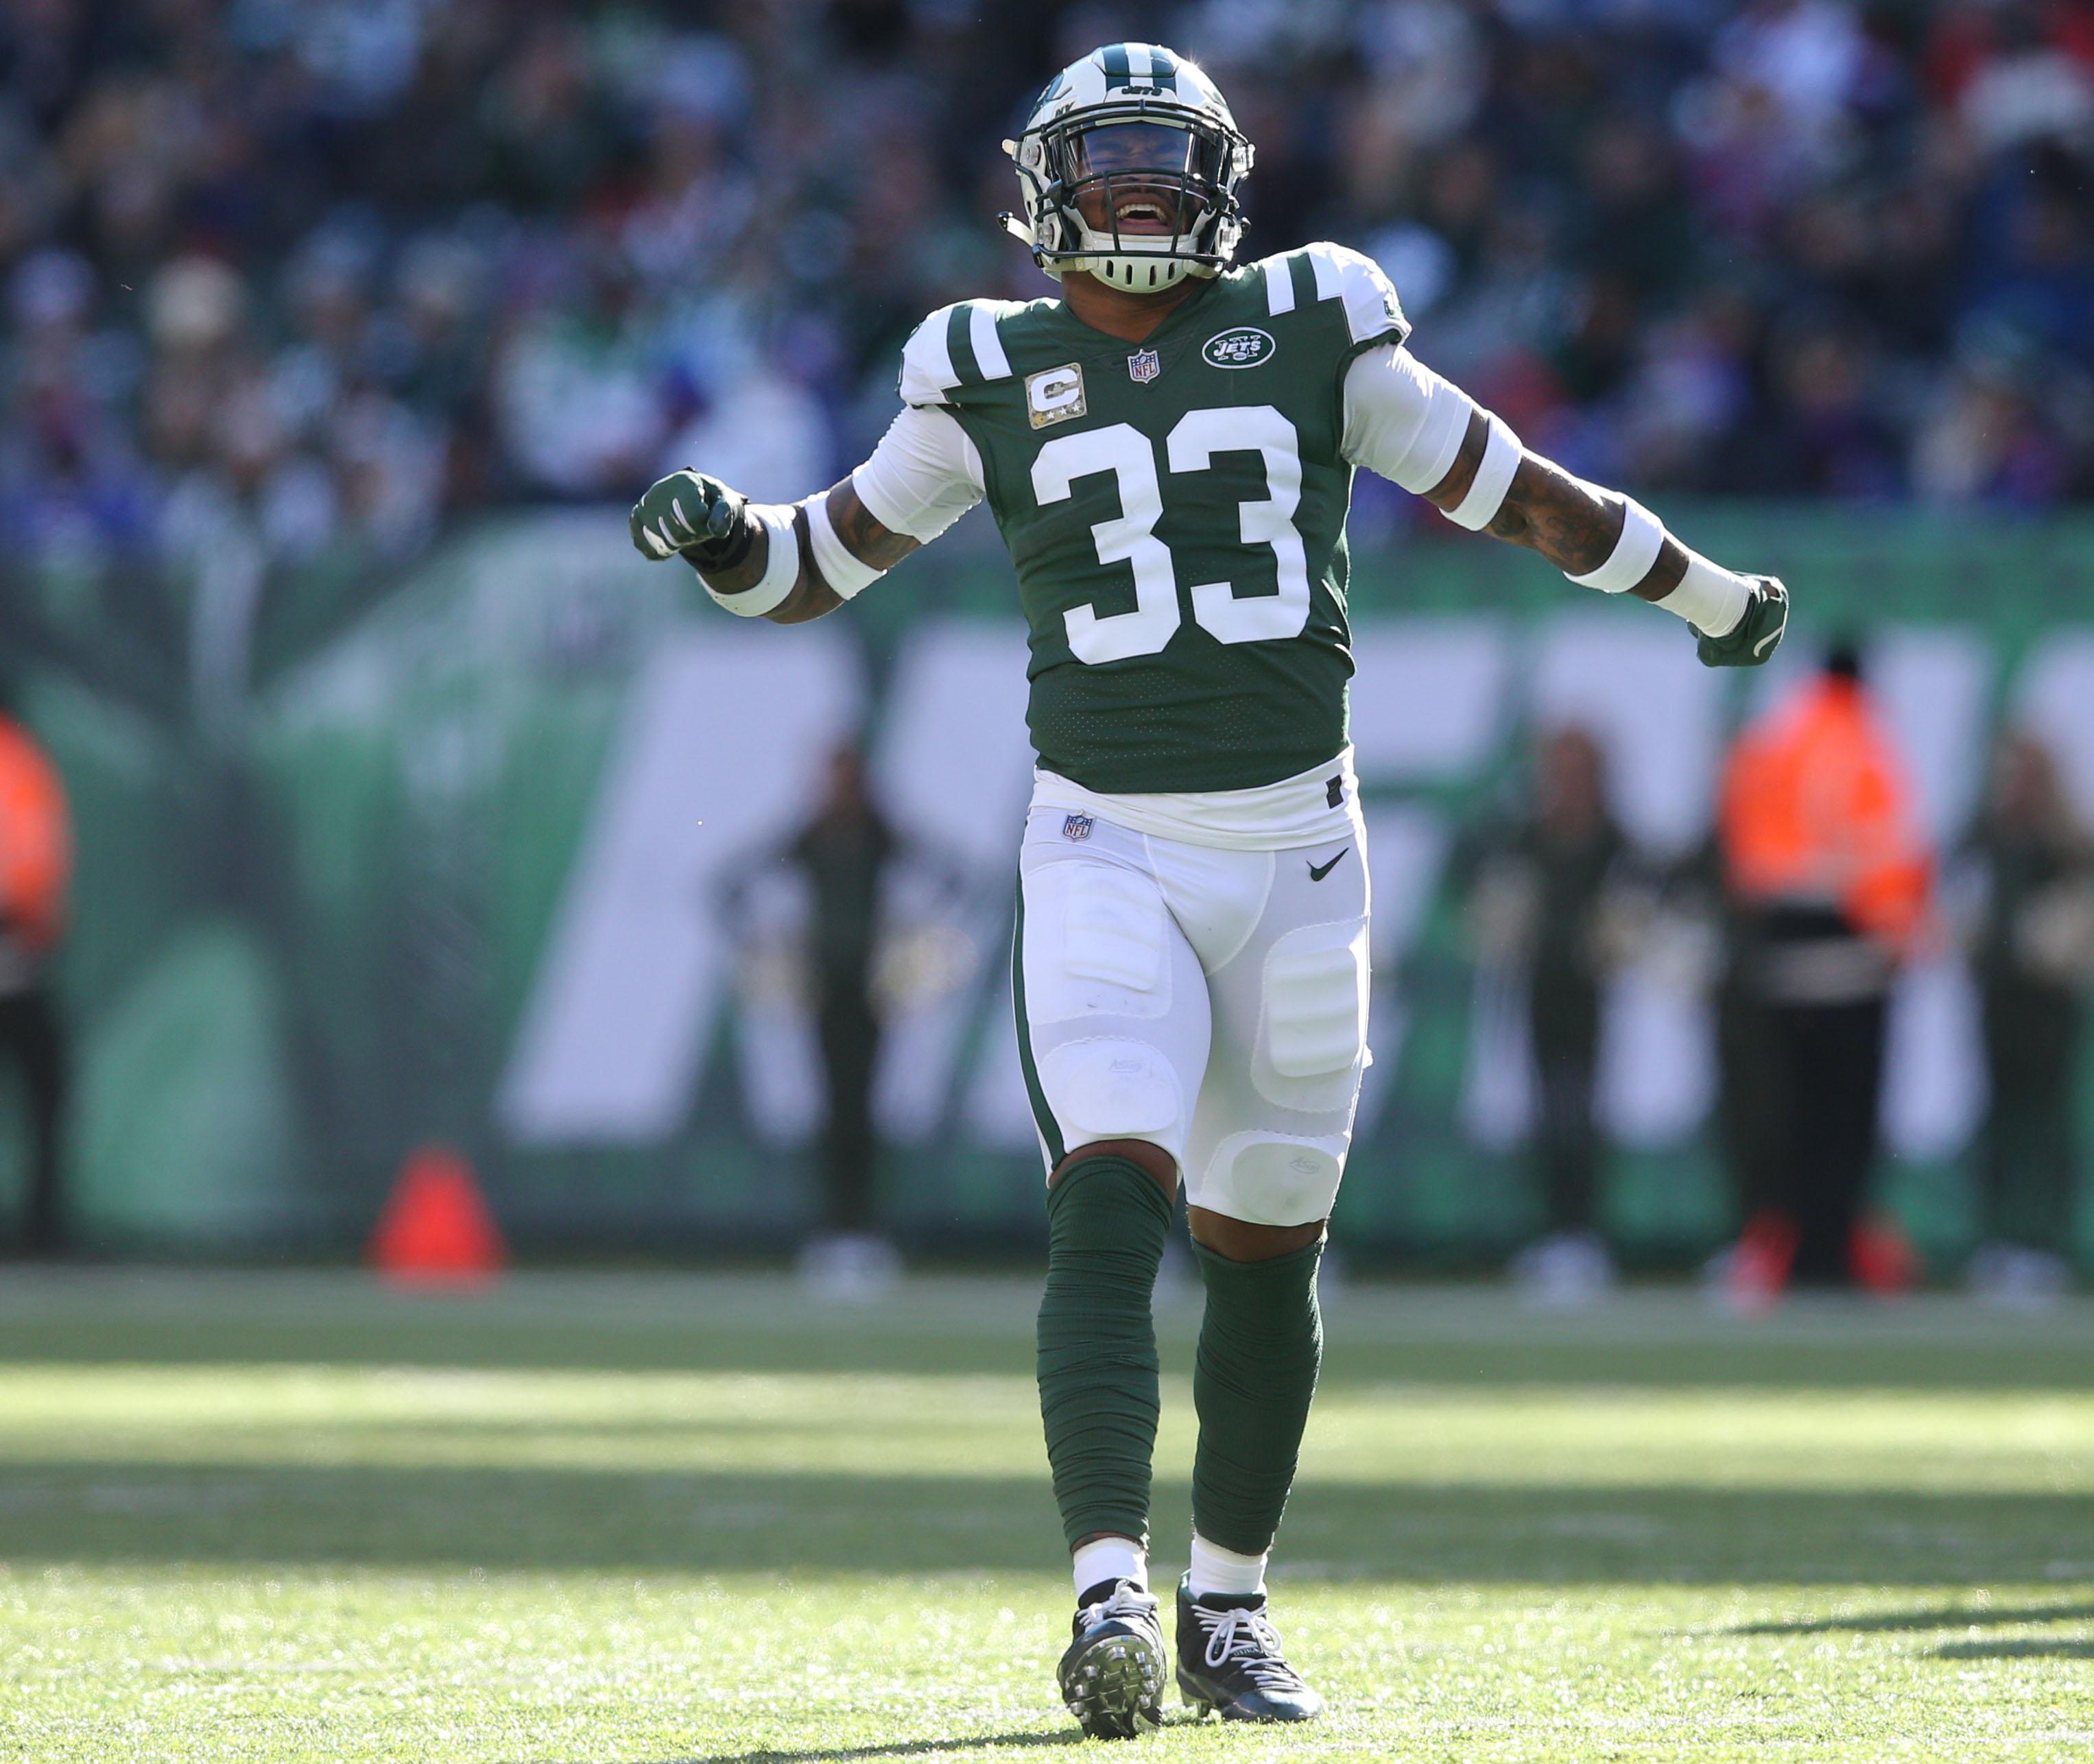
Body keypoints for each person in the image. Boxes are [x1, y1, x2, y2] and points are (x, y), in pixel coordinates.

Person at [627, 43, 1788, 1737]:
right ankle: (1104, 1584)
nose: (1135, 195)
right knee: (1107, 1188)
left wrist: (1692, 590)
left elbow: (1514, 489)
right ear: (1045, 190)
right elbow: (814, 565)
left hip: (1303, 857)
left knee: (1264, 1250)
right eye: (1104, 165)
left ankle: (1225, 1608)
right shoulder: (977, 365)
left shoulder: (1319, 320)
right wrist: (727, 538)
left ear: (1220, 180)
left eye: (1162, 163)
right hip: (1106, 845)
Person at [1713, 639, 1927, 1303]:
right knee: (1847, 1118)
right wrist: (1896, 933)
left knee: (1781, 1115)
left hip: (1779, 953)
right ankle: (1834, 1248)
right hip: (1852, 955)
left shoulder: (1770, 742)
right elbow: (1886, 851)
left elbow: (1741, 856)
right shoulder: (1864, 742)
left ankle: (1778, 1245)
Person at [1962, 730, 2094, 1307]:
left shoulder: (2068, 839)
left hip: (2051, 1001)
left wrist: (2082, 939)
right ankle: (1997, 1241)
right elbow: (1950, 886)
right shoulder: (1988, 832)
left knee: (2047, 1122)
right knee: (1999, 1120)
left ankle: (2046, 1245)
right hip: (1998, 997)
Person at [1457, 726, 1641, 1303]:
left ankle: (1583, 1232)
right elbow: (1477, 881)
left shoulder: (1613, 840)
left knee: (1581, 1108)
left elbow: (1641, 902)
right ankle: (1555, 1231)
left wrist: (1620, 935)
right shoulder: (1524, 835)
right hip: (1539, 988)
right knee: (1545, 1108)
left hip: (1588, 994)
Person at [741, 743, 905, 1296]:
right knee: (834, 1111)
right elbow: (732, 885)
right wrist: (764, 948)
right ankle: (835, 1232)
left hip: (871, 990)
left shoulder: (879, 831)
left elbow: (953, 876)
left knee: (863, 1111)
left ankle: (861, 1232)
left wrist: (920, 944)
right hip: (824, 990)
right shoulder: (811, 834)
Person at [0, 689, 71, 1257]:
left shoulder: (17, 760)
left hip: (15, 959)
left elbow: (32, 868)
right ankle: (41, 1231)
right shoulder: (19, 759)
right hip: (17, 954)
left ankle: (42, 1230)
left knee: (46, 1093)